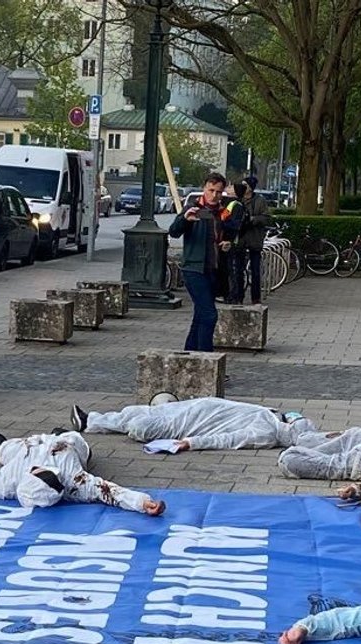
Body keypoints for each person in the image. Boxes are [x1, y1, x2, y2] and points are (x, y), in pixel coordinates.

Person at [0, 429, 165, 515]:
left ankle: (0, 444)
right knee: (77, 441)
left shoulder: (6, 479)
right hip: (67, 444)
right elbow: (112, 493)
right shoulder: (76, 480)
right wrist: (144, 502)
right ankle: (60, 431)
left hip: (23, 448)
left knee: (6, 449)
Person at [71, 396, 319, 453]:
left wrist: (192, 443)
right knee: (146, 411)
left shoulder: (266, 434)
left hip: (194, 425)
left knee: (142, 427)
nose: (293, 416)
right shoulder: (273, 415)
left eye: (296, 420)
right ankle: (90, 421)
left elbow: (228, 440)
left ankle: (91, 422)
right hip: (199, 408)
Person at [168, 172, 239, 352]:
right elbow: (174, 231)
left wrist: (227, 244)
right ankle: (206, 360)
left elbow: (230, 236)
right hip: (194, 269)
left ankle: (190, 355)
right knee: (209, 315)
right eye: (211, 190)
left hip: (214, 269)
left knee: (200, 315)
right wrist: (185, 220)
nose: (214, 195)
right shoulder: (193, 208)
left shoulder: (223, 212)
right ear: (204, 189)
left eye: (218, 192)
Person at [234, 175, 274, 305]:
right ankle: (238, 296)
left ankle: (255, 298)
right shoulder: (237, 199)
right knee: (238, 270)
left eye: (245, 185)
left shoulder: (260, 201)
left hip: (255, 239)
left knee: (255, 271)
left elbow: (266, 217)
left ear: (251, 187)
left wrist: (253, 219)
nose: (243, 187)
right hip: (240, 239)